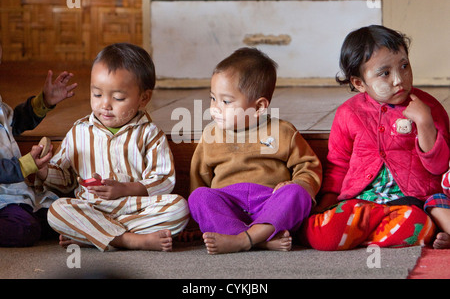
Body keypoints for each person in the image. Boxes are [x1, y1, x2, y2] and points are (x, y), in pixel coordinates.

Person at [300, 25, 450, 251]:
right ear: (359, 83)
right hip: (360, 202)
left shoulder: (428, 108)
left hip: (409, 202)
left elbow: (439, 167)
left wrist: (425, 123)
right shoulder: (348, 114)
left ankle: (362, 233)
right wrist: (325, 206)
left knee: (415, 222)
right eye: (385, 73)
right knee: (322, 234)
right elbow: (339, 165)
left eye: (404, 66)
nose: (399, 79)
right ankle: (375, 231)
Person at [42, 43, 189, 252]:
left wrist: (124, 189)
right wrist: (44, 170)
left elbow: (164, 179)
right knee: (56, 211)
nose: (105, 105)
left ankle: (93, 235)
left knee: (178, 208)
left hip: (134, 207)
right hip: (93, 207)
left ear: (143, 98)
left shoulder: (149, 133)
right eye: (97, 94)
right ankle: (129, 240)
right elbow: (64, 179)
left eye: (118, 98)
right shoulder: (79, 132)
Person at [188, 47, 322, 254]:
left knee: (297, 193)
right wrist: (194, 222)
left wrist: (298, 183)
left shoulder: (283, 131)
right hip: (229, 206)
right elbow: (199, 177)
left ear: (259, 107)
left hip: (269, 205)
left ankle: (243, 239)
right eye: (212, 98)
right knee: (199, 196)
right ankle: (259, 240)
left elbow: (308, 166)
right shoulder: (210, 135)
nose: (215, 107)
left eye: (226, 101)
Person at [0, 43, 77, 247]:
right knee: (23, 229)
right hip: (3, 200)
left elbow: (14, 122)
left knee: (65, 218)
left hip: (18, 194)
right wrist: (25, 165)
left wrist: (45, 101)